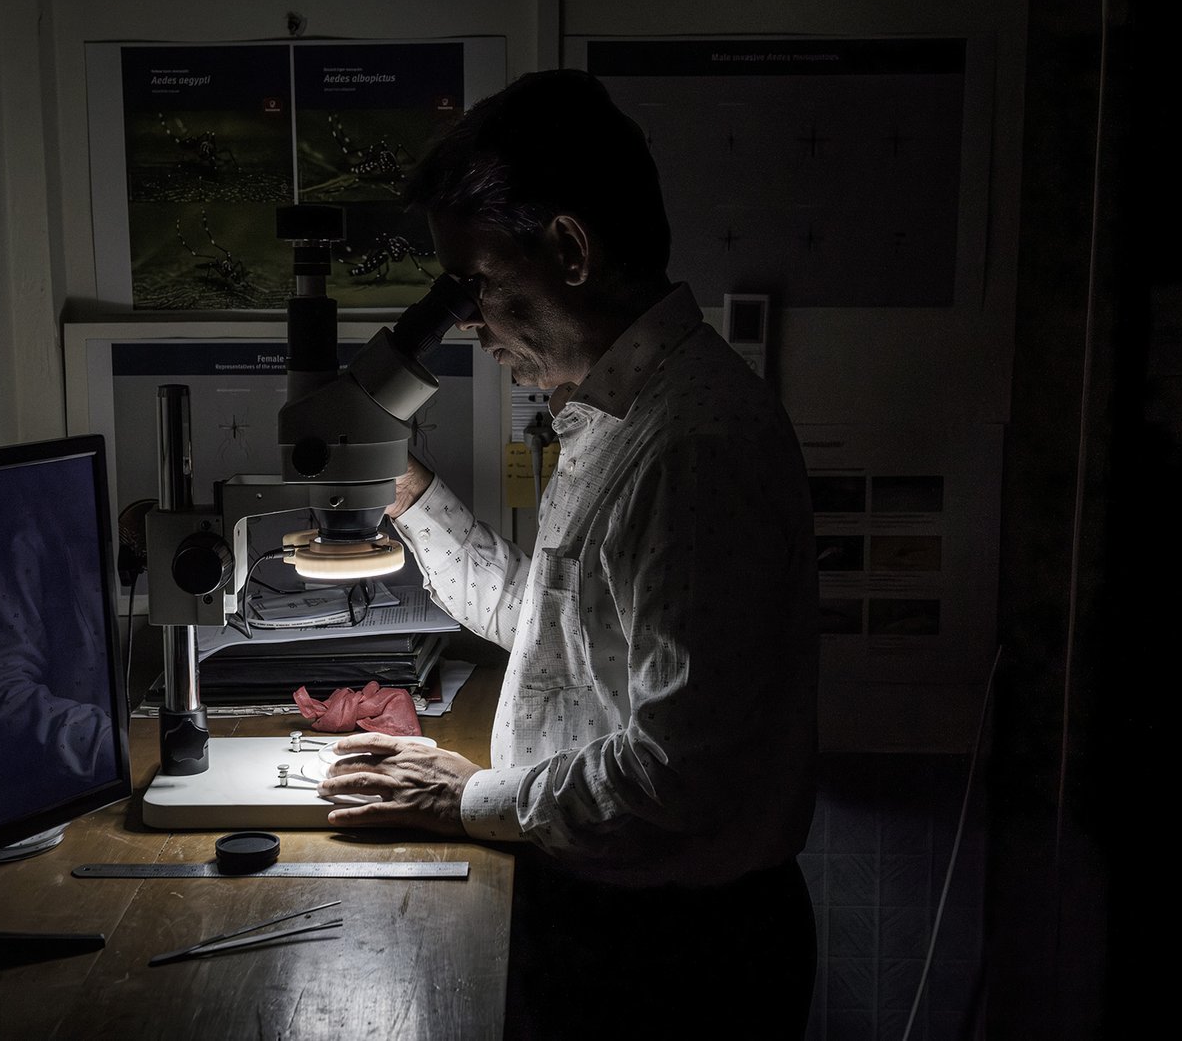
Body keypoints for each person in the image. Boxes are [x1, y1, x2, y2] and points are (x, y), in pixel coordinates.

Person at [316, 69, 820, 1039]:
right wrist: (412, 496)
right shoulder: (617, 418)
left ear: (570, 249)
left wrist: (470, 796)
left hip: (672, 959)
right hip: (615, 917)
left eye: (478, 283)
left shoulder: (691, 448)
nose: (464, 322)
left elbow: (679, 775)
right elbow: (551, 628)